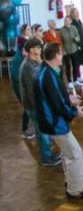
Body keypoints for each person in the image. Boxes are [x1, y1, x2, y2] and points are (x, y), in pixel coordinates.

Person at [33, 42, 83, 200]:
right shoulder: (49, 76)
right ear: (55, 56)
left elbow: (56, 97)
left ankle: (71, 183)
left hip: (50, 121)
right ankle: (74, 190)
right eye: (60, 53)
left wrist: (69, 99)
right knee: (75, 154)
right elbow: (57, 104)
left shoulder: (45, 71)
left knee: (68, 154)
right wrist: (74, 112)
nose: (62, 56)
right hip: (54, 123)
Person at [18, 39, 62, 167]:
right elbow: (31, 90)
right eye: (38, 47)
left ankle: (48, 154)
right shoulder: (27, 67)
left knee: (44, 131)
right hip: (34, 106)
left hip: (39, 104)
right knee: (42, 132)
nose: (40, 49)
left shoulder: (35, 63)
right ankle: (46, 159)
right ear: (32, 49)